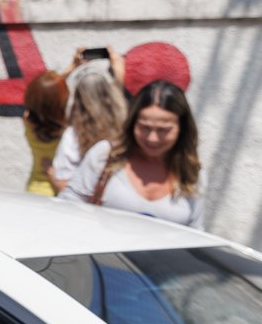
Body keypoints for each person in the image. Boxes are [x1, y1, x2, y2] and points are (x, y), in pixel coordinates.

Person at [61, 80, 203, 229]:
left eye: (163, 130)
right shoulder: (105, 155)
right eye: (144, 127)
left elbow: (196, 233)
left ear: (182, 128)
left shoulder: (193, 174)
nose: (152, 138)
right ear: (132, 122)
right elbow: (69, 205)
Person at [50, 47, 127, 193]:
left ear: (78, 98)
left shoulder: (73, 136)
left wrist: (72, 67)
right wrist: (118, 75)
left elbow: (64, 185)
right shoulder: (126, 129)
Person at [22, 71, 69, 196]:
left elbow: (46, 94)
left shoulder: (28, 121)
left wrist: (72, 67)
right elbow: (52, 94)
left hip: (34, 188)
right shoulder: (68, 129)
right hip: (59, 194)